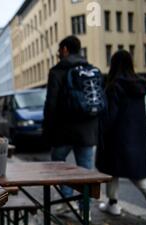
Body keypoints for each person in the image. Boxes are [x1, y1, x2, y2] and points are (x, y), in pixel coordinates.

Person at [96, 50, 146, 225]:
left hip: (116, 137)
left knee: (111, 171)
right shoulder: (139, 86)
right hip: (136, 136)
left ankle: (113, 204)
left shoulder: (114, 86)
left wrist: (101, 129)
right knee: (137, 173)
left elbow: (111, 115)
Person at [43, 36, 100, 215]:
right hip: (87, 131)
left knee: (59, 166)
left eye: (60, 50)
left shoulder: (57, 71)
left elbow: (51, 104)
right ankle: (86, 210)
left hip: (63, 131)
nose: (58, 53)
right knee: (85, 172)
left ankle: (67, 203)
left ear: (65, 49)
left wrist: (48, 129)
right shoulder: (91, 70)